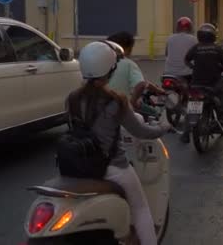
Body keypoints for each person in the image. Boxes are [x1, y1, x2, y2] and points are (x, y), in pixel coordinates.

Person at [68, 41, 170, 245]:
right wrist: (163, 128)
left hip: (77, 165)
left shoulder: (71, 99)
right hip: (112, 167)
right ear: (110, 68)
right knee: (141, 208)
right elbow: (140, 130)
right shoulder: (117, 101)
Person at [182, 23, 223, 143]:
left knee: (191, 105)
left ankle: (185, 133)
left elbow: (186, 60)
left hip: (196, 84)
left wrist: (193, 66)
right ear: (213, 36)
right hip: (213, 83)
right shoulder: (217, 49)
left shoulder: (196, 48)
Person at [106, 31, 165, 111]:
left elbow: (143, 82)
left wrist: (155, 89)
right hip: (123, 109)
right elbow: (141, 85)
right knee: (153, 113)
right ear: (127, 48)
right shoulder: (129, 64)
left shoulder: (103, 63)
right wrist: (132, 103)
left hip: (102, 108)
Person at [164, 17, 198, 83]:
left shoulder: (170, 38)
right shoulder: (194, 39)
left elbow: (166, 54)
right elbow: (197, 55)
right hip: (187, 74)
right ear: (190, 27)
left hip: (169, 73)